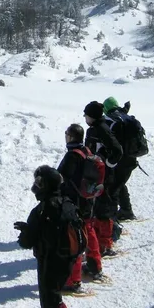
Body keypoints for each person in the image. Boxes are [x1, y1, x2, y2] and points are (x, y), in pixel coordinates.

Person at [14, 165, 79, 308]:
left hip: (49, 262)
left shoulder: (41, 210)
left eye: (39, 182)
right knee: (56, 297)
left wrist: (26, 231)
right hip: (68, 260)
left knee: (49, 303)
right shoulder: (67, 203)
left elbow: (27, 242)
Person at [57, 123, 105, 292]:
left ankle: (72, 280)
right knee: (89, 232)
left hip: (75, 202)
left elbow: (62, 177)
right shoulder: (87, 151)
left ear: (70, 137)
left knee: (74, 240)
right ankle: (95, 266)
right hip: (88, 200)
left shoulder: (72, 156)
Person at [83, 101, 123, 259]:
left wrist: (106, 164)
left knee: (103, 208)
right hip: (97, 173)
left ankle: (105, 243)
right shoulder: (96, 129)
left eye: (86, 115)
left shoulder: (101, 129)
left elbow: (117, 150)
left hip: (103, 175)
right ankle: (101, 241)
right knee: (98, 206)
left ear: (92, 116)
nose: (85, 117)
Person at [103, 97, 138, 221]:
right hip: (132, 157)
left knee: (114, 187)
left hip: (119, 160)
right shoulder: (124, 117)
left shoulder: (110, 120)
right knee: (119, 183)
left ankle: (113, 217)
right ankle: (126, 210)